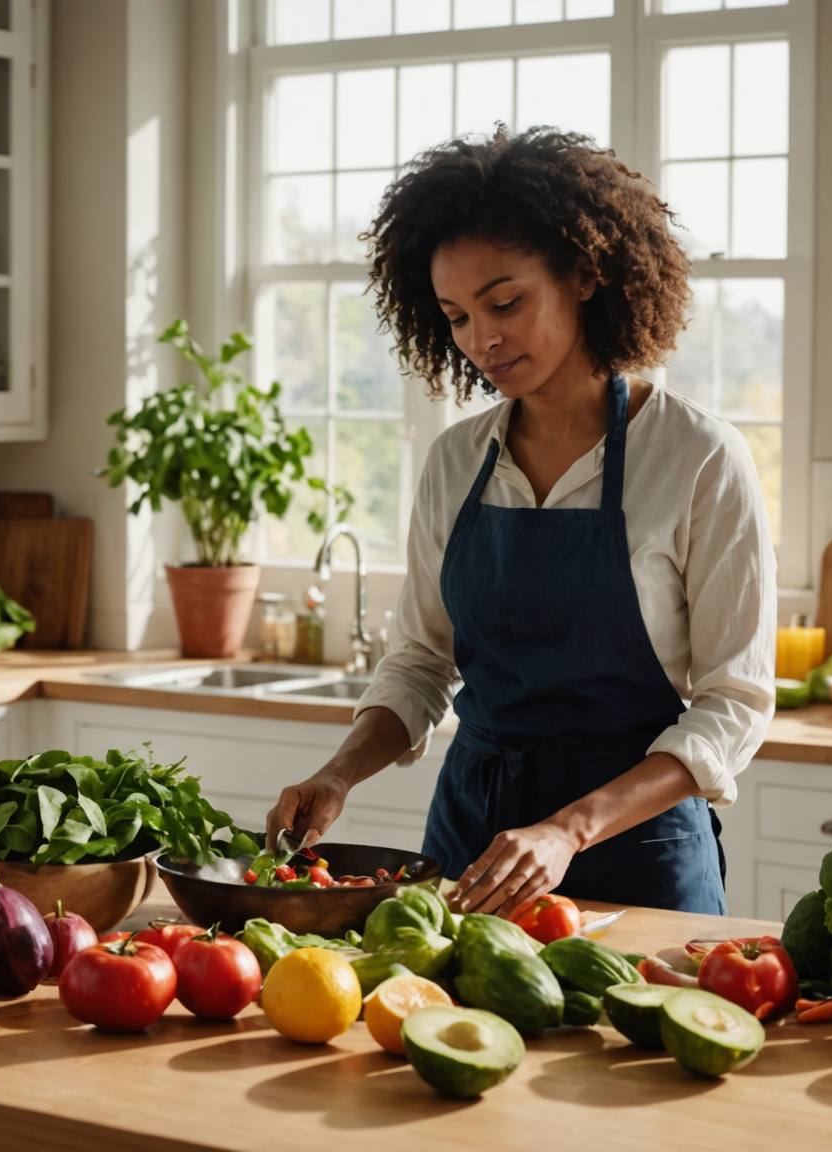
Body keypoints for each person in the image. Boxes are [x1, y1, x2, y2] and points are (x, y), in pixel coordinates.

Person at [264, 127, 776, 916]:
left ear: (586, 274)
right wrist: (338, 773)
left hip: (636, 850)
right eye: (456, 316)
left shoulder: (697, 456)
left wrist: (568, 830)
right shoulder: (455, 461)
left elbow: (734, 705)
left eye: (504, 302)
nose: (482, 340)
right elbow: (421, 663)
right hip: (474, 841)